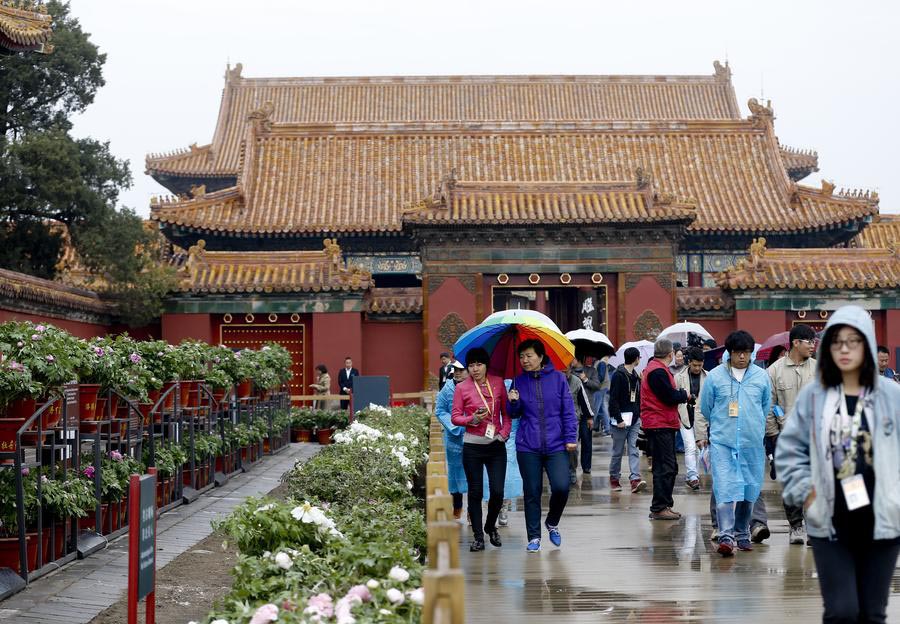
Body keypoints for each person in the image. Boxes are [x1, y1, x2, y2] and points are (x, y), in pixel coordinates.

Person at [777, 305, 900, 622]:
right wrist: (804, 491)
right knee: (842, 611)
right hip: (830, 521)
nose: (844, 349)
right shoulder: (814, 397)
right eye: (837, 342)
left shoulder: (891, 396)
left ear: (868, 346)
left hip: (882, 520)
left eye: (853, 341)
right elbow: (790, 448)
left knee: (873, 613)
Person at [697, 330, 770, 556]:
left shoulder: (761, 376)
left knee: (750, 488)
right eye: (738, 353)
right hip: (723, 441)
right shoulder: (715, 377)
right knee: (725, 487)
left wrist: (753, 424)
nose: (742, 357)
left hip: (751, 442)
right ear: (729, 352)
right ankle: (726, 535)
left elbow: (765, 406)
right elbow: (706, 408)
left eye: (746, 353)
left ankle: (742, 533)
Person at [507, 339, 578, 552]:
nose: (524, 360)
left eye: (529, 356)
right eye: (521, 356)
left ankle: (552, 521)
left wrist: (570, 437)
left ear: (540, 356)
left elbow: (568, 410)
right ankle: (534, 537)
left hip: (557, 444)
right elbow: (514, 414)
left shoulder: (557, 379)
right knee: (532, 491)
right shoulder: (518, 382)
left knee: (561, 487)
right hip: (528, 445)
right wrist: (513, 402)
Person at [451, 347, 511, 552]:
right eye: (471, 365)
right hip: (472, 446)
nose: (475, 369)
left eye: (479, 364)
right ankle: (478, 537)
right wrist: (471, 419)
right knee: (475, 492)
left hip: (495, 445)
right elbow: (455, 417)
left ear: (486, 365)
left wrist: (504, 432)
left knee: (497, 492)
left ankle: (489, 525)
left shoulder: (498, 382)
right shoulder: (462, 388)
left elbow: (506, 413)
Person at [767, 324, 817, 545]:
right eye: (809, 341)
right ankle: (796, 526)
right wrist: (773, 434)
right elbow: (769, 405)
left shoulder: (819, 369)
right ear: (796, 343)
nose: (812, 345)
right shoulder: (775, 371)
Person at [641, 338, 691, 520]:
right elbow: (668, 396)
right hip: (659, 424)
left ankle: (664, 505)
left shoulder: (656, 369)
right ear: (670, 354)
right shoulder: (657, 372)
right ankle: (659, 507)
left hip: (661, 423)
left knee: (668, 466)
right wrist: (684, 395)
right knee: (665, 467)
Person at [608, 346, 645, 494]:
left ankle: (635, 479)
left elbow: (637, 397)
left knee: (634, 450)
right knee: (618, 451)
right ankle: (614, 478)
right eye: (639, 358)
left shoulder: (636, 376)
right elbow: (613, 400)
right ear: (636, 359)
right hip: (621, 420)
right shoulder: (618, 375)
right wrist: (618, 419)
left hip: (634, 419)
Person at [435, 360, 468, 520]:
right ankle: (457, 505)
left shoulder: (475, 387)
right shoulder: (447, 388)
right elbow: (440, 410)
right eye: (455, 369)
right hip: (453, 437)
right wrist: (454, 424)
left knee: (475, 473)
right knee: (455, 472)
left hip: (473, 436)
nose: (458, 372)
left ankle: (473, 511)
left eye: (461, 370)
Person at [674, 347, 705, 491]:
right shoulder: (678, 377)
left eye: (700, 365)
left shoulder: (709, 377)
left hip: (701, 418)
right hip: (684, 416)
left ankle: (693, 476)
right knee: (690, 447)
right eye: (695, 365)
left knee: (699, 448)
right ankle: (692, 476)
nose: (698, 368)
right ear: (689, 363)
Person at [565, 361, 595, 483]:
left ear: (570, 369)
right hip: (556, 420)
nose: (564, 373)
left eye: (566, 370)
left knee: (573, 447)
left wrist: (589, 417)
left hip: (573, 419)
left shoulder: (576, 381)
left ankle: (572, 470)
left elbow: (584, 400)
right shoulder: (553, 381)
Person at [591, 356, 612, 435]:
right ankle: (607, 428)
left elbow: (601, 377)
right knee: (603, 408)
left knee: (595, 408)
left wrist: (593, 382)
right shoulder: (600, 362)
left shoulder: (601, 363)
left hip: (600, 388)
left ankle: (590, 426)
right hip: (603, 387)